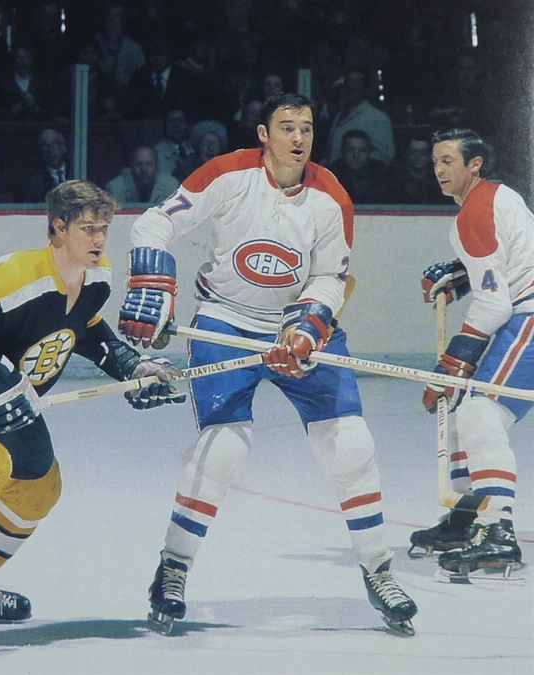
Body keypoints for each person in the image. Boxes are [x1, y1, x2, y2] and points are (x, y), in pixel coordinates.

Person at [118, 93, 418, 636]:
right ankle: (174, 567)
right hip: (225, 323)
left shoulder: (331, 196)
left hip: (295, 324)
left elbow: (330, 277)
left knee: (350, 445)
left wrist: (305, 328)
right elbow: (154, 224)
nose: (299, 138)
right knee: (224, 449)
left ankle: (378, 570)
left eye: (307, 128)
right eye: (287, 127)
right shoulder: (227, 174)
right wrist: (152, 281)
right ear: (264, 133)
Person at [0, 180, 185, 657]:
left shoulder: (96, 278)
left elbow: (85, 328)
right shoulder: (17, 276)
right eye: (88, 228)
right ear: (58, 228)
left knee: (39, 487)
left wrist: (132, 367)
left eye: (104, 228)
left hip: (13, 395)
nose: (99, 238)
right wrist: (1, 386)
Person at [411, 129, 531, 578]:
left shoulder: (474, 212)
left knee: (481, 412)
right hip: (525, 309)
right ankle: (467, 518)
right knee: (466, 407)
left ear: (474, 164)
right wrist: (461, 276)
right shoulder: (496, 197)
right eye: (435, 161)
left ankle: (499, 532)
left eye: (448, 161)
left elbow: (496, 304)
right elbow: (504, 268)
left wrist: (451, 364)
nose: (439, 170)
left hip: (529, 314)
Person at [105, 145, 179, 205]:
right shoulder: (115, 187)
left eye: (149, 164)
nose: (144, 170)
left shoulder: (171, 185)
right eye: (138, 164)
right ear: (130, 166)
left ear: (157, 165)